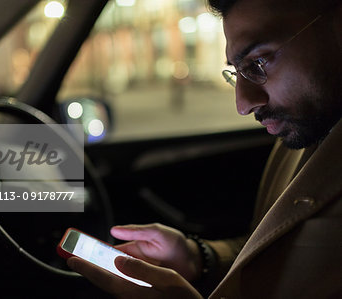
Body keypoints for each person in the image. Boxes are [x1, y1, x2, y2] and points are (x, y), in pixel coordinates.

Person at [67, 0, 342, 297]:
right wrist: (198, 258)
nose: (243, 104)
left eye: (258, 63)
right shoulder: (302, 134)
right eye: (236, 73)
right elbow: (275, 253)